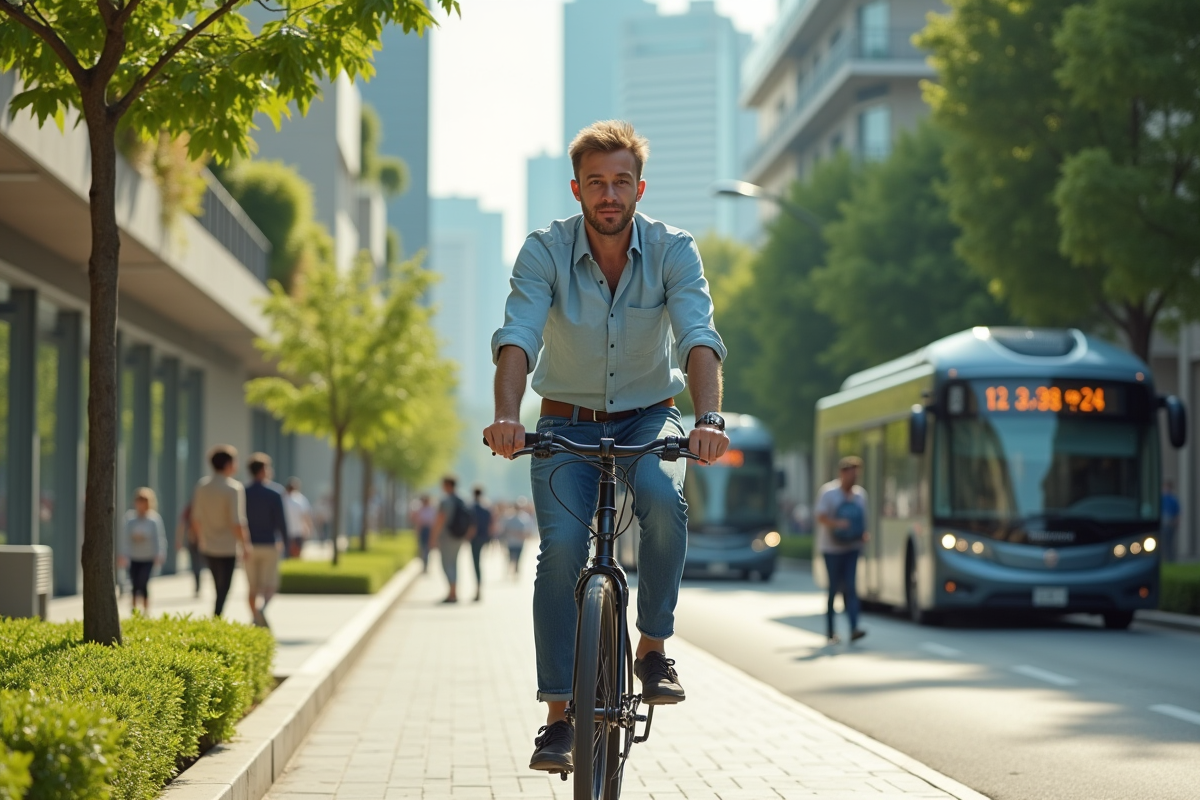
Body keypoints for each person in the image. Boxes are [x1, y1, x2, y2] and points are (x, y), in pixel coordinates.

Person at [483, 120, 729, 773]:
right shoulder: (544, 251)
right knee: (562, 551)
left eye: (621, 181)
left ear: (640, 188)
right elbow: (518, 335)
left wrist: (709, 418)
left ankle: (652, 648)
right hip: (564, 423)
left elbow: (698, 335)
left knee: (662, 501)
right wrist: (507, 416)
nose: (609, 194)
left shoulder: (674, 250)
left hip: (650, 418)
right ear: (577, 189)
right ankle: (558, 717)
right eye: (596, 183)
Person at [815, 456, 869, 645]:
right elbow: (820, 516)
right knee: (833, 589)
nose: (854, 478)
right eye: (851, 474)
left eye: (856, 475)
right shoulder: (829, 493)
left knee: (851, 588)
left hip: (852, 547)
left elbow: (863, 520)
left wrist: (862, 534)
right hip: (831, 549)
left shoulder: (860, 495)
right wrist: (838, 524)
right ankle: (830, 631)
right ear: (842, 473)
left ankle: (854, 628)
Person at [191, 445, 248, 617]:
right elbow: (237, 521)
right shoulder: (233, 488)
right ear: (228, 464)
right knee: (225, 587)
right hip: (228, 546)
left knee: (217, 585)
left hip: (209, 544)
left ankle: (216, 616)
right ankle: (217, 616)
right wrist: (245, 544)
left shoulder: (202, 486)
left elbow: (196, 518)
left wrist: (201, 539)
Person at [244, 453, 289, 628]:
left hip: (249, 546)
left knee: (252, 587)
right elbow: (281, 522)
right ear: (263, 470)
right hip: (269, 544)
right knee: (270, 586)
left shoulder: (244, 492)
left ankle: (255, 617)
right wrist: (286, 543)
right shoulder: (275, 493)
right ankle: (261, 612)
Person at [117, 487, 167, 613]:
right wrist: (123, 555)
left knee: (143, 582)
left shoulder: (154, 519)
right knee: (134, 583)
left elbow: (159, 538)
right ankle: (134, 610)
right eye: (139, 501)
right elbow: (125, 539)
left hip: (148, 557)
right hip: (134, 556)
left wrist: (160, 554)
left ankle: (145, 610)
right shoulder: (130, 519)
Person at [429, 475, 472, 603]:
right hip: (459, 537)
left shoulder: (445, 501)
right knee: (454, 563)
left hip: (447, 537)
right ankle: (454, 591)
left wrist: (433, 537)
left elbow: (440, 520)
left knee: (446, 563)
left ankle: (452, 593)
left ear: (447, 485)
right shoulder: (462, 500)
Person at [468, 486, 494, 602]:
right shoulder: (487, 508)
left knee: (476, 563)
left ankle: (478, 588)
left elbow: (472, 525)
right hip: (484, 537)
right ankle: (479, 587)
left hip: (475, 538)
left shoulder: (472, 507)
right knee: (478, 562)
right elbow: (491, 525)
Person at [175, 502, 204, 598]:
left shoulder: (202, 508)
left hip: (202, 541)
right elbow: (182, 525)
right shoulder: (190, 509)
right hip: (193, 541)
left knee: (198, 564)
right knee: (196, 564)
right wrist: (179, 540)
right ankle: (197, 585)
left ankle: (198, 585)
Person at [500, 498, 533, 579]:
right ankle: (513, 571)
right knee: (513, 557)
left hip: (517, 542)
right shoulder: (511, 517)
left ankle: (515, 572)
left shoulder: (524, 518)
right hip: (513, 542)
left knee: (516, 558)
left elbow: (528, 531)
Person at [284, 477, 314, 559]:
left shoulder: (283, 499)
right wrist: (309, 527)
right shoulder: (300, 499)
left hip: (287, 530)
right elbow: (306, 515)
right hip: (298, 530)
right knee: (297, 554)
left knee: (287, 554)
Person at [411, 494, 436, 573]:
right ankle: (424, 563)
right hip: (422, 530)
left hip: (428, 530)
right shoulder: (420, 509)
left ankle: (426, 563)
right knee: (422, 547)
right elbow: (415, 520)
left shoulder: (431, 509)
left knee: (427, 548)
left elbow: (433, 522)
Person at [1161, 479, 1180, 563]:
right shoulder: (1161, 499)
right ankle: (1164, 557)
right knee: (1163, 541)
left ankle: (1170, 558)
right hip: (1162, 523)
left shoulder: (1173, 500)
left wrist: (1175, 522)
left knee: (1169, 541)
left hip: (1170, 523)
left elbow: (1177, 513)